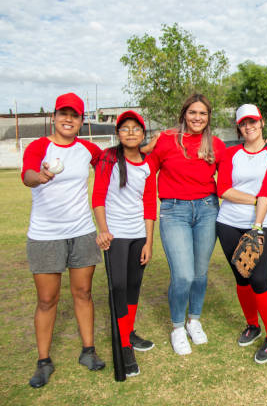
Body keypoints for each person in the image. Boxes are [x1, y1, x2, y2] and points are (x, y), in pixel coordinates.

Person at [21, 93, 105, 388]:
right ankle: (43, 361)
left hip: (82, 232)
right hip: (45, 235)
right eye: (63, 114)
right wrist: (39, 176)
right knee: (47, 300)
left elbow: (110, 160)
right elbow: (27, 175)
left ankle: (88, 351)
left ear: (82, 121)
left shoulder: (87, 149)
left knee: (83, 293)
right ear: (54, 117)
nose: (68, 119)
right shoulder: (39, 146)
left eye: (75, 115)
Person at [147, 94, 226, 355]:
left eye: (203, 113)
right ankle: (178, 327)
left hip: (207, 210)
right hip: (174, 211)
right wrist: (145, 147)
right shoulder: (167, 140)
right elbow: (146, 170)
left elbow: (235, 167)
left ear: (208, 117)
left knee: (200, 273)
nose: (197, 118)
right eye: (193, 112)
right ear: (184, 114)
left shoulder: (215, 144)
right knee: (183, 275)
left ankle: (194, 320)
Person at [216, 104, 267, 364]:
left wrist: (256, 228)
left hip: (260, 225)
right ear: (238, 126)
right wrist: (256, 199)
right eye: (243, 123)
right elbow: (223, 189)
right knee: (241, 277)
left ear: (262, 122)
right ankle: (252, 325)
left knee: (259, 279)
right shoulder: (231, 153)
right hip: (228, 223)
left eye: (253, 121)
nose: (249, 126)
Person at [92, 110, 156, 377]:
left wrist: (149, 242)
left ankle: (127, 332)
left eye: (136, 128)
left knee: (132, 287)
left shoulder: (148, 164)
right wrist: (104, 230)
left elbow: (150, 204)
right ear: (118, 134)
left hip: (138, 235)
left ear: (143, 134)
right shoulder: (108, 158)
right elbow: (98, 196)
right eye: (125, 128)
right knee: (118, 286)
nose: (130, 132)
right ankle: (125, 346)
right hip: (115, 236)